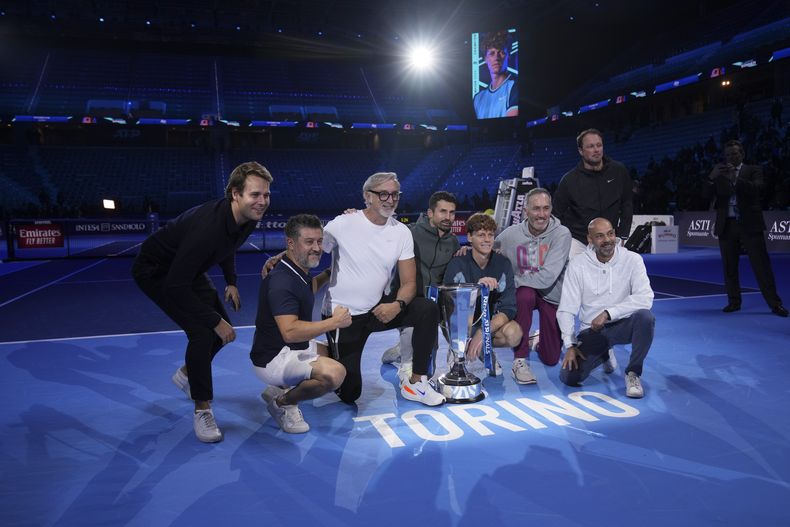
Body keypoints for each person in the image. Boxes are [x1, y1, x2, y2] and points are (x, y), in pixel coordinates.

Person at [131, 161, 272, 443]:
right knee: (203, 332)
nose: (262, 201)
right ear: (235, 194)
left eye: (266, 195)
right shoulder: (207, 228)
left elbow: (228, 246)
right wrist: (213, 320)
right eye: (255, 195)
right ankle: (202, 409)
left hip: (187, 271)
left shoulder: (247, 218)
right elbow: (174, 286)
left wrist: (231, 281)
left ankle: (188, 375)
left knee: (225, 334)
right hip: (157, 272)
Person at [321, 172, 445, 406]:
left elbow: (409, 283)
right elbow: (312, 249)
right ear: (367, 196)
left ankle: (416, 382)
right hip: (343, 317)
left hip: (377, 310)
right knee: (350, 393)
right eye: (383, 194)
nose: (390, 199)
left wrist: (396, 306)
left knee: (426, 308)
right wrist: (280, 258)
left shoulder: (401, 232)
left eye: (395, 194)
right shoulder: (343, 223)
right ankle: (313, 352)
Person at [250, 214, 351, 434]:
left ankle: (277, 389)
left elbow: (307, 290)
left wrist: (328, 273)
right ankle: (283, 402)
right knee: (334, 374)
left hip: (291, 347)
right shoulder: (282, 281)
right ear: (290, 243)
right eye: (309, 242)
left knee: (338, 353)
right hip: (275, 357)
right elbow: (290, 332)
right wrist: (334, 322)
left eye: (318, 241)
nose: (316, 248)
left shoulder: (295, 269)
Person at [558, 218, 655, 398]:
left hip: (624, 324)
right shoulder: (577, 264)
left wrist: (608, 313)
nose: (607, 240)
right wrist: (569, 344)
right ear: (590, 239)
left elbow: (645, 297)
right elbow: (566, 308)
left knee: (645, 318)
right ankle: (604, 353)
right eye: (600, 236)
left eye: (610, 234)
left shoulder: (632, 260)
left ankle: (633, 373)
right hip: (592, 331)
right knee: (569, 377)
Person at [380, 191, 461, 378]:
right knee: (413, 360)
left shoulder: (454, 241)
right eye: (443, 212)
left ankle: (401, 349)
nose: (448, 217)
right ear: (430, 213)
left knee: (429, 369)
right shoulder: (410, 233)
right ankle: (405, 356)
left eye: (452, 212)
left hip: (434, 305)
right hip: (409, 301)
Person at [704, 139, 787, 317]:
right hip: (727, 224)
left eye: (734, 153)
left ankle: (775, 304)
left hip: (750, 224)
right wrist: (711, 178)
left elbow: (757, 190)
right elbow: (705, 195)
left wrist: (736, 179)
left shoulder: (753, 170)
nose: (731, 157)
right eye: (727, 155)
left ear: (742, 154)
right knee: (729, 267)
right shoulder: (719, 173)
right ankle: (734, 302)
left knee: (761, 266)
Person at [496, 188, 571, 384]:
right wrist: (467, 250)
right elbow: (488, 251)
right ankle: (519, 360)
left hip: (551, 294)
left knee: (551, 358)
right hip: (526, 294)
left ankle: (535, 341)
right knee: (524, 295)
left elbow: (547, 278)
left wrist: (514, 281)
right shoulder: (510, 235)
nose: (542, 214)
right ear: (526, 211)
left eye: (546, 208)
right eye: (536, 209)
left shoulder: (561, 234)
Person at [444, 213, 523, 365]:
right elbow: (449, 307)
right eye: (481, 235)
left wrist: (482, 333)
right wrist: (476, 290)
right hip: (461, 324)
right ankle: (457, 349)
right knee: (456, 317)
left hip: (488, 324)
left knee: (514, 334)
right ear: (469, 237)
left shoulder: (503, 263)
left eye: (490, 235)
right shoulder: (457, 264)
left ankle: (483, 348)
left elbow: (509, 308)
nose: (487, 240)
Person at [553, 128, 633, 258]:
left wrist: (623, 235)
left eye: (599, 145)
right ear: (580, 151)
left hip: (610, 238)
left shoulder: (619, 171)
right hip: (579, 241)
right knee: (574, 274)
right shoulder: (569, 180)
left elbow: (627, 204)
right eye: (590, 146)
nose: (596, 150)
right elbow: (556, 213)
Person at [473, 29, 518, 119]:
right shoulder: (478, 98)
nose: (496, 58)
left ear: (508, 56)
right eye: (492, 53)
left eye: (501, 52)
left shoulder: (514, 87)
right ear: (485, 58)